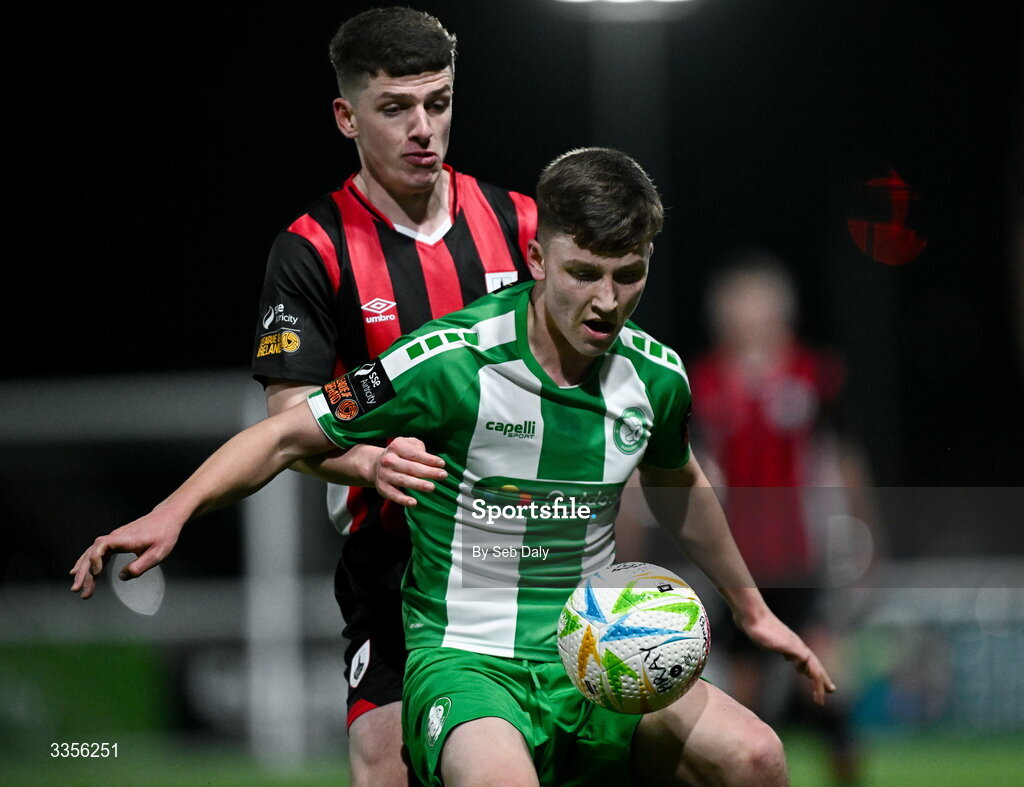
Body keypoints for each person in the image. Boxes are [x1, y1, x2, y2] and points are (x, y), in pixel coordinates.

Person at [72, 148, 835, 786]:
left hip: (598, 647)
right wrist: (171, 512)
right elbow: (285, 434)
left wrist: (751, 605)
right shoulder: (449, 360)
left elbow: (678, 482)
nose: (607, 301)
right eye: (584, 272)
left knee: (758, 757)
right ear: (536, 256)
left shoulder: (656, 377)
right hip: (470, 661)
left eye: (628, 275)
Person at [251, 8, 535, 783]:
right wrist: (371, 462)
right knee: (385, 761)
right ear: (346, 116)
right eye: (396, 108)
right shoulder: (311, 250)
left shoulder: (521, 226)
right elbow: (287, 419)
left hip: (526, 547)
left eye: (438, 104)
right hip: (394, 560)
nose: (423, 129)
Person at [690, 253, 872, 784]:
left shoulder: (815, 374)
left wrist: (865, 542)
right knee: (745, 705)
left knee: (828, 692)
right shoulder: (702, 381)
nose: (746, 315)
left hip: (803, 563)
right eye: (736, 304)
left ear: (781, 310)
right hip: (737, 568)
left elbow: (844, 461)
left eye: (757, 303)